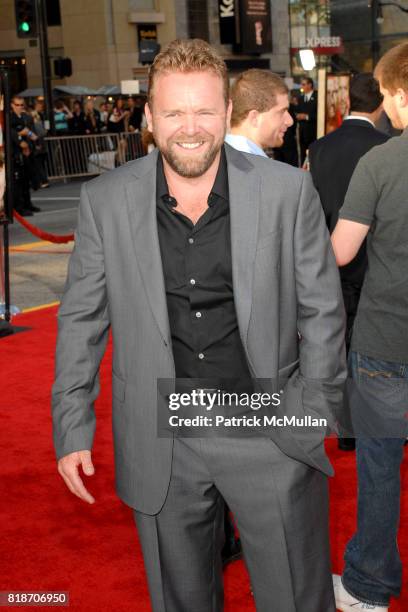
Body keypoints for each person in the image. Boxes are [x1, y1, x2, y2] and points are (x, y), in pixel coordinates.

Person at [52, 38, 346, 612]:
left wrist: (310, 415)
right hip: (163, 435)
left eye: (205, 111)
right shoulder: (105, 200)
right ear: (149, 117)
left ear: (227, 114)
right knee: (182, 600)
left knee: (295, 598)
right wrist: (71, 425)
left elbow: (323, 311)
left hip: (270, 422)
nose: (190, 127)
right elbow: (81, 318)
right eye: (174, 112)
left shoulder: (287, 191)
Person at [331, 42, 408, 611]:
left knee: (380, 469)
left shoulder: (381, 163)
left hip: (386, 339)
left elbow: (340, 252)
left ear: (401, 92)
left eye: (388, 96)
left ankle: (369, 588)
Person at [310, 73, 389, 451]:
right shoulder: (387, 147)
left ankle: (346, 432)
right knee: (379, 349)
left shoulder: (319, 148)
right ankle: (385, 425)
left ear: (347, 103)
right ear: (379, 104)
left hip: (333, 263)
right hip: (378, 264)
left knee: (338, 347)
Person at [225, 68, 294, 156]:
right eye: (281, 112)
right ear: (255, 118)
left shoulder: (222, 156)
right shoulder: (254, 166)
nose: (290, 121)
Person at [10, 96, 40, 215]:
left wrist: (32, 141)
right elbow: (10, 133)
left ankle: (28, 204)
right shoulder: (10, 118)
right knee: (17, 182)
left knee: (26, 180)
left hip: (26, 152)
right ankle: (19, 207)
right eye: (17, 105)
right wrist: (20, 136)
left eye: (22, 105)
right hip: (16, 153)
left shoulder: (25, 117)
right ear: (12, 105)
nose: (20, 107)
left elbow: (29, 131)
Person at [296, 75, 317, 164]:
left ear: (310, 85)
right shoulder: (300, 99)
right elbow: (297, 112)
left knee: (313, 153)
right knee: (303, 154)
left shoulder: (317, 97)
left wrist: (307, 117)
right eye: (301, 85)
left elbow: (320, 114)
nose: (302, 87)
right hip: (302, 131)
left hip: (313, 131)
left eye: (304, 84)